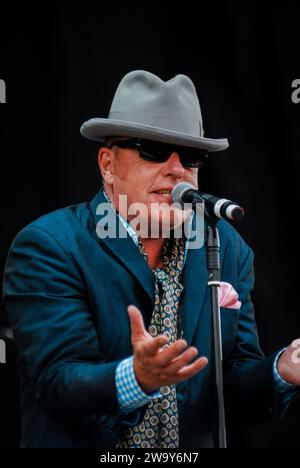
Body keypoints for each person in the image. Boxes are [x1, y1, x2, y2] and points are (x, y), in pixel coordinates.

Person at [2, 70, 300, 448]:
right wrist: (137, 377)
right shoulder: (49, 245)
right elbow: (58, 383)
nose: (176, 169)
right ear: (107, 164)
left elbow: (231, 390)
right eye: (152, 149)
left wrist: (282, 370)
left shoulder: (224, 244)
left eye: (191, 157)